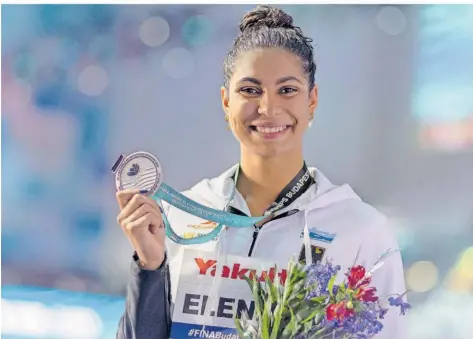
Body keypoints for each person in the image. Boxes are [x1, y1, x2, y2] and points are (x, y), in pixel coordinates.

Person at [115, 5, 406, 339]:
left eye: (287, 90)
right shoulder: (179, 219)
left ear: (312, 100)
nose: (267, 108)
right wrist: (150, 267)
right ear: (226, 102)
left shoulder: (361, 232)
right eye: (250, 90)